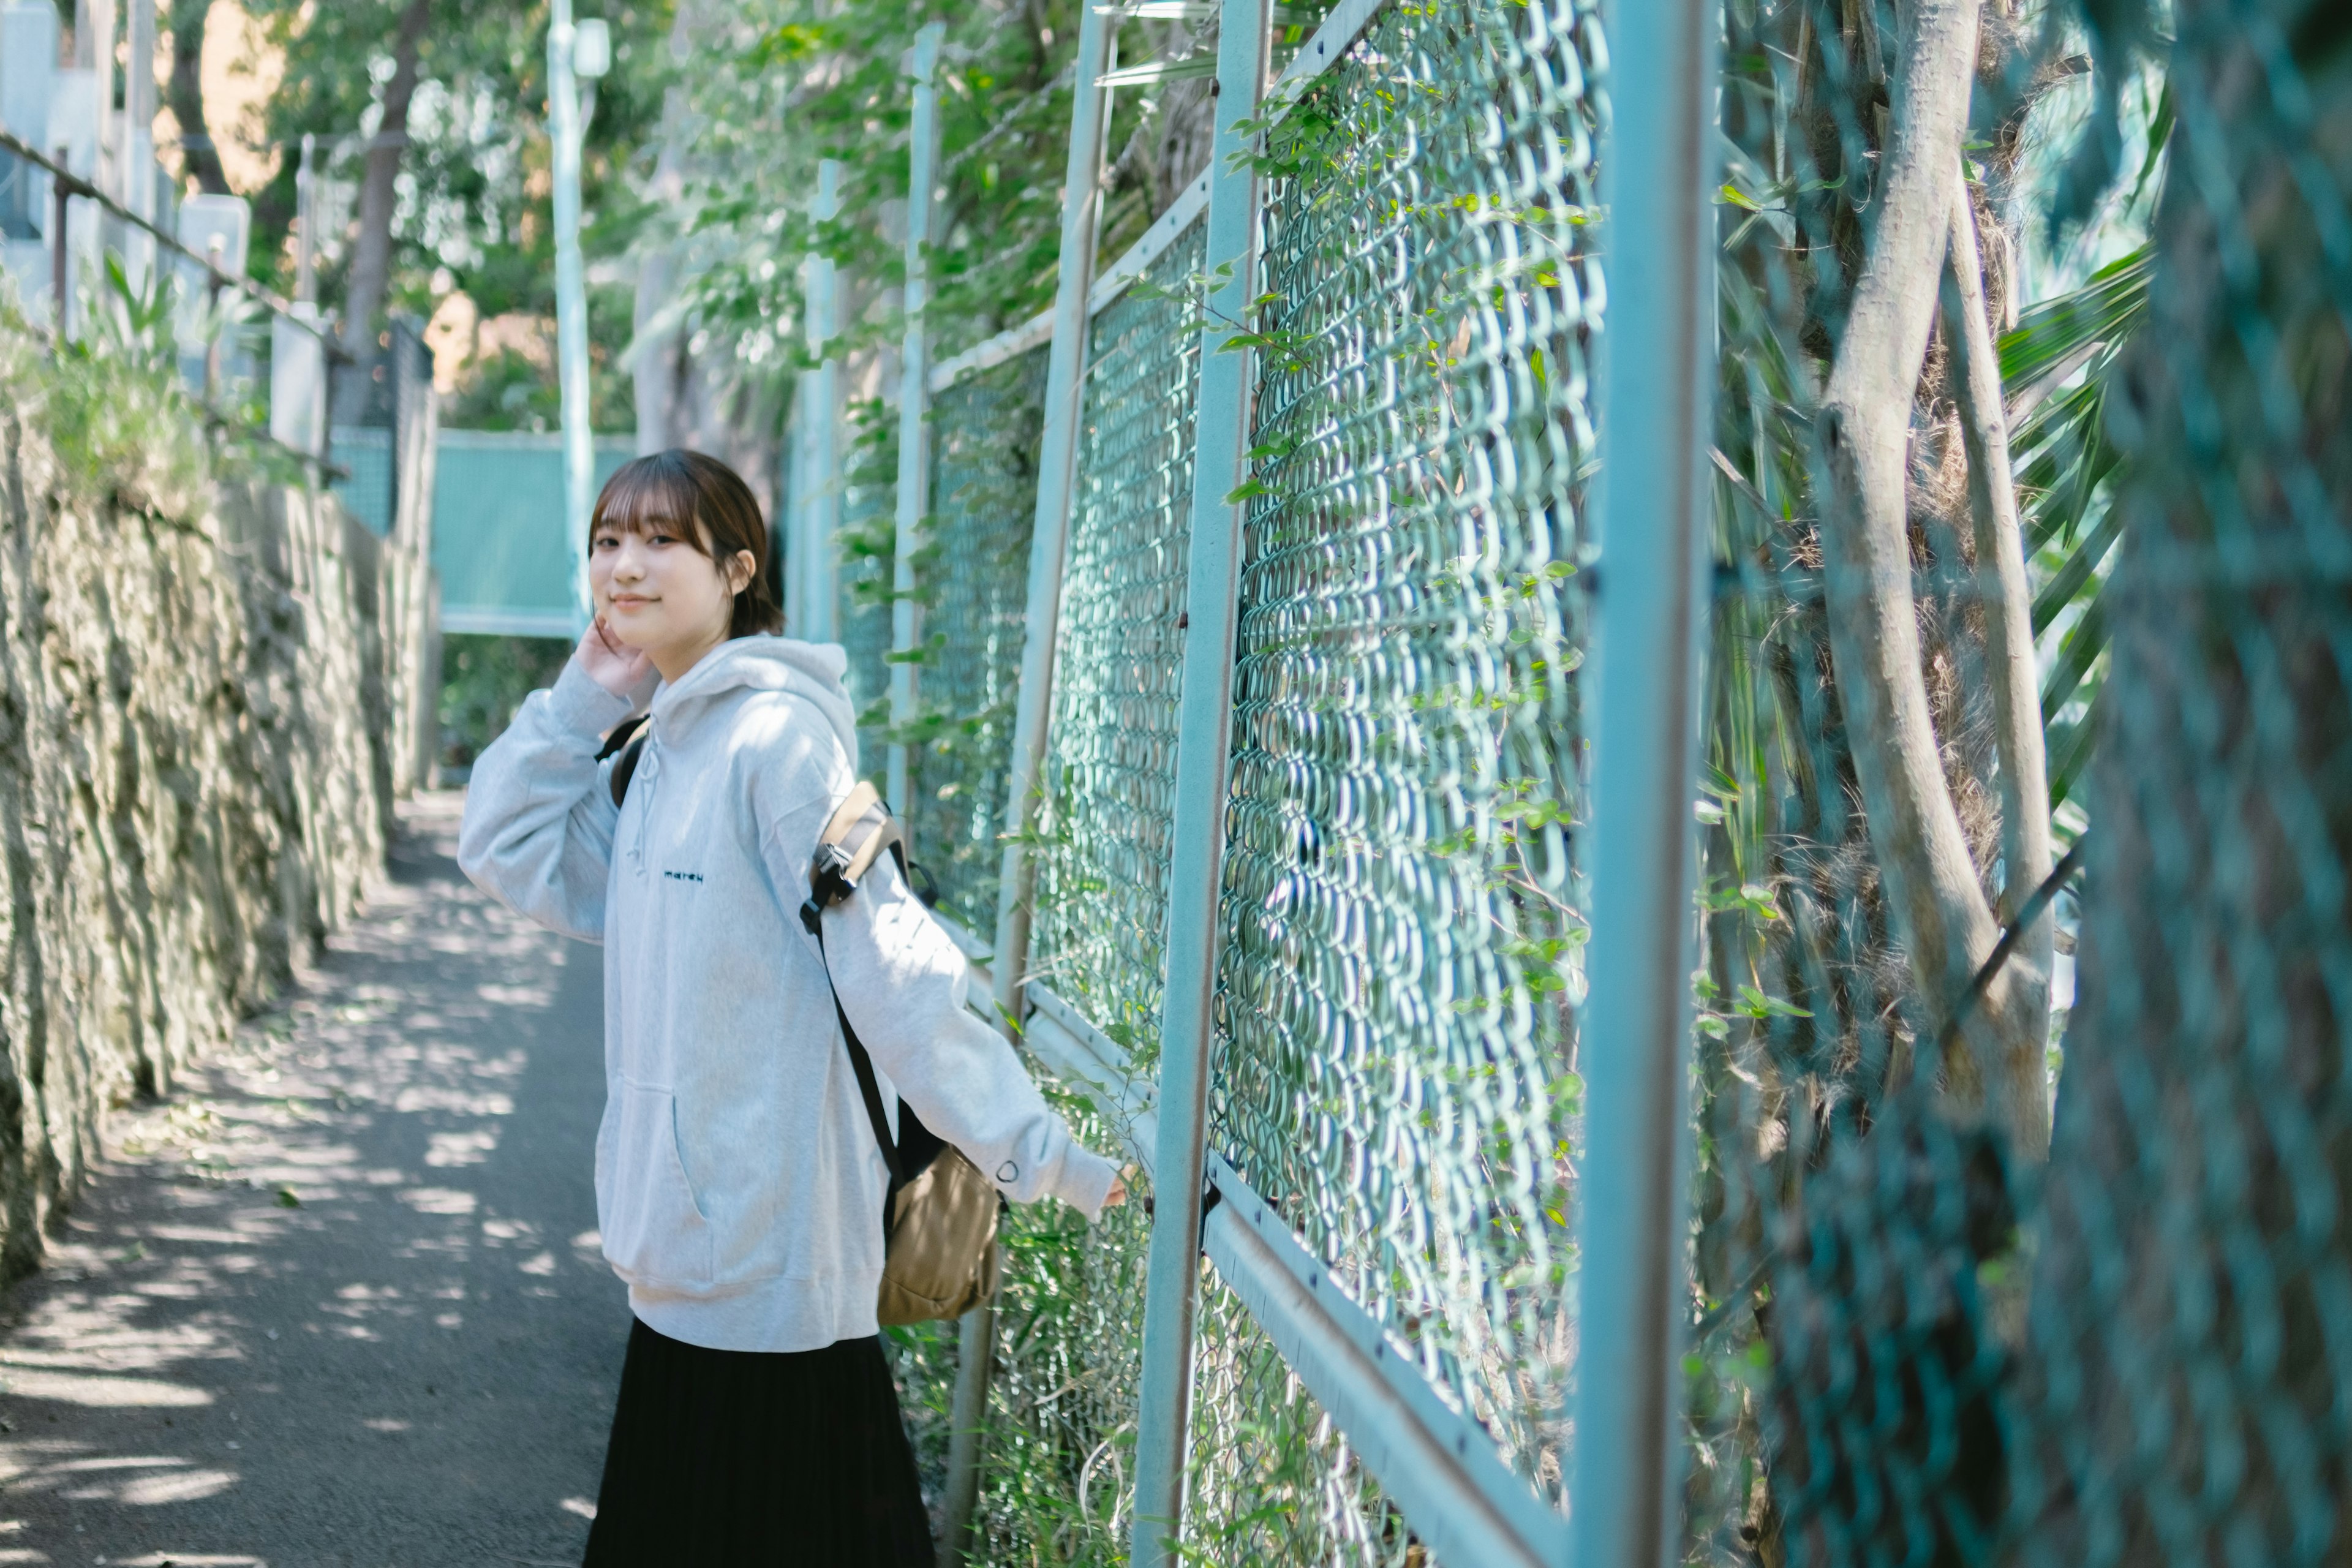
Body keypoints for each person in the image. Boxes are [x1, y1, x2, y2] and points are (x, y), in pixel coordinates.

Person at [456, 449, 1126, 1566]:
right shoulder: (659, 752)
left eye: (662, 540)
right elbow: (501, 842)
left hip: (775, 1269)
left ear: (737, 568)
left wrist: (1040, 1154)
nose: (626, 564)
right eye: (609, 540)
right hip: (682, 1257)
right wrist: (586, 694)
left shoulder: (778, 744)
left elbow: (894, 967)